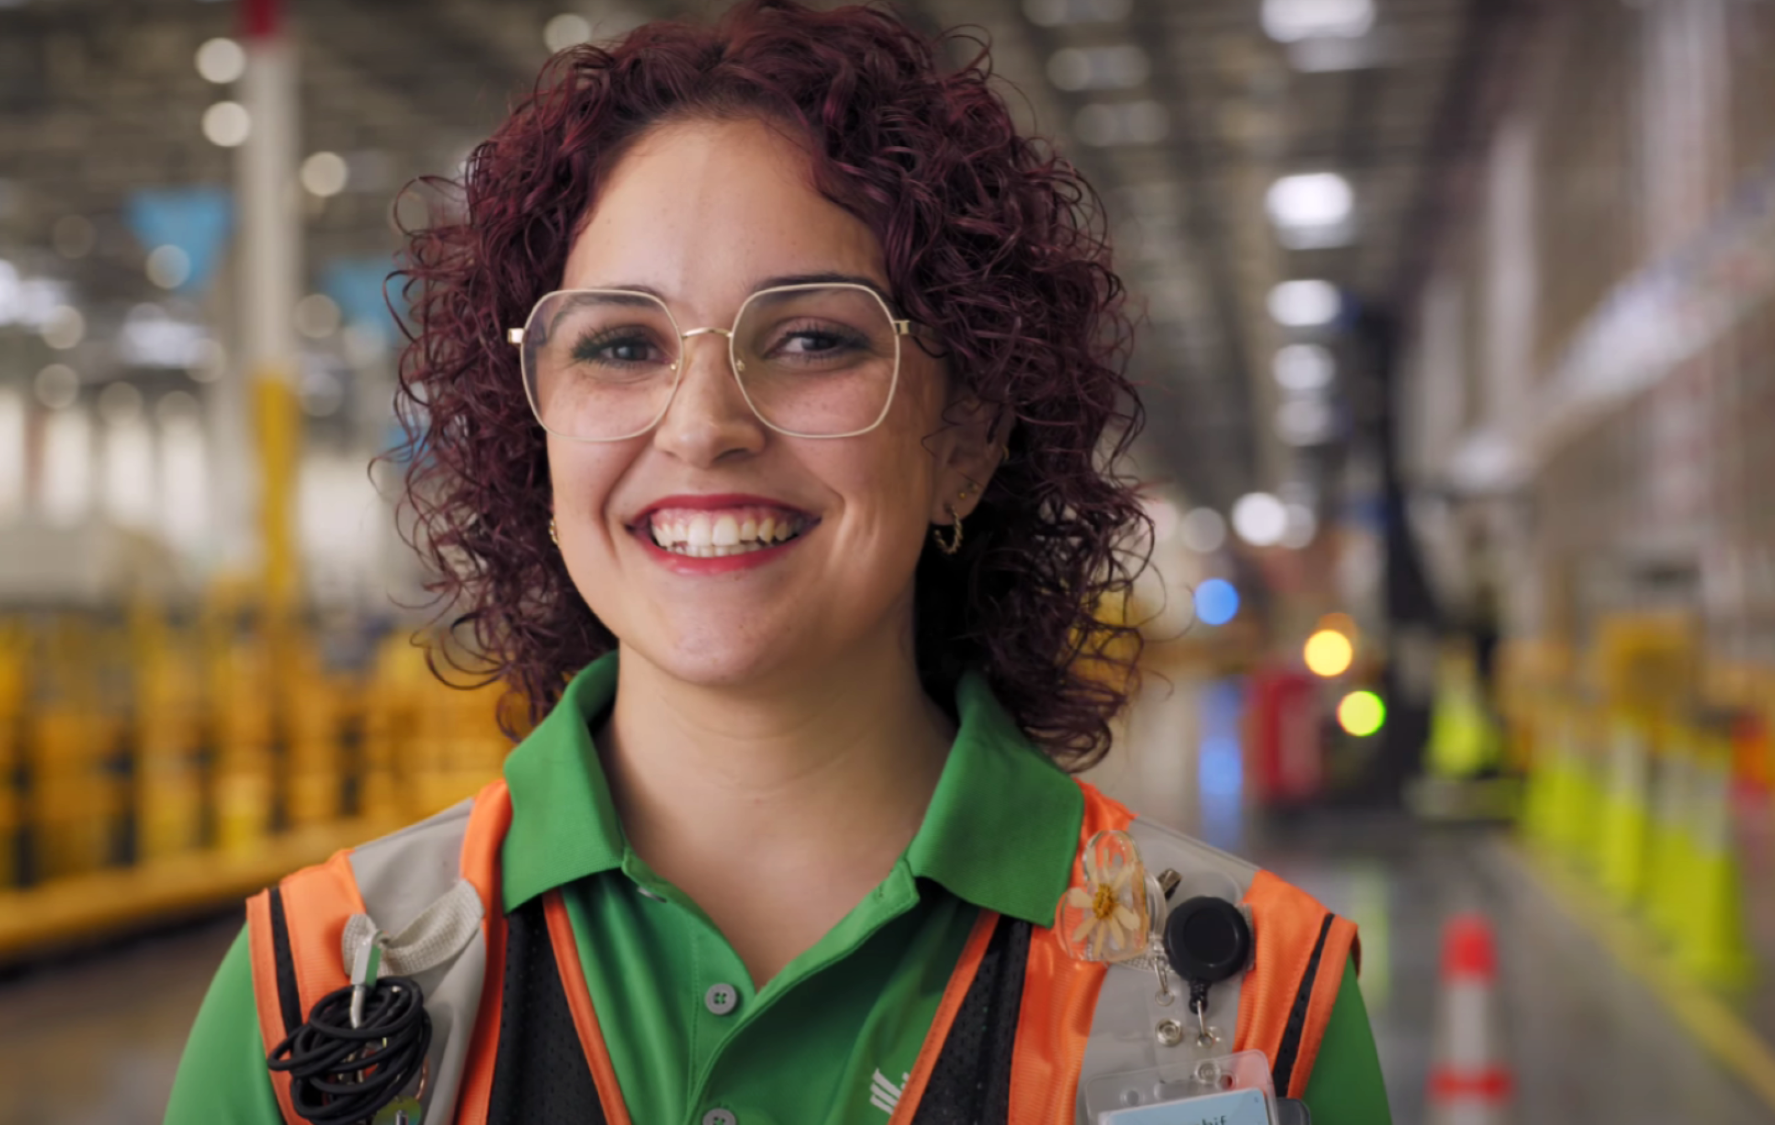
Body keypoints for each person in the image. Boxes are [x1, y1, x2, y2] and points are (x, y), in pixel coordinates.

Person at [165, 3, 1391, 1123]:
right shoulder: (319, 992)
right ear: (531, 437)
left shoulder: (1247, 1010)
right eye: (620, 345)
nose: (701, 423)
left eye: (810, 337)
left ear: (963, 438)